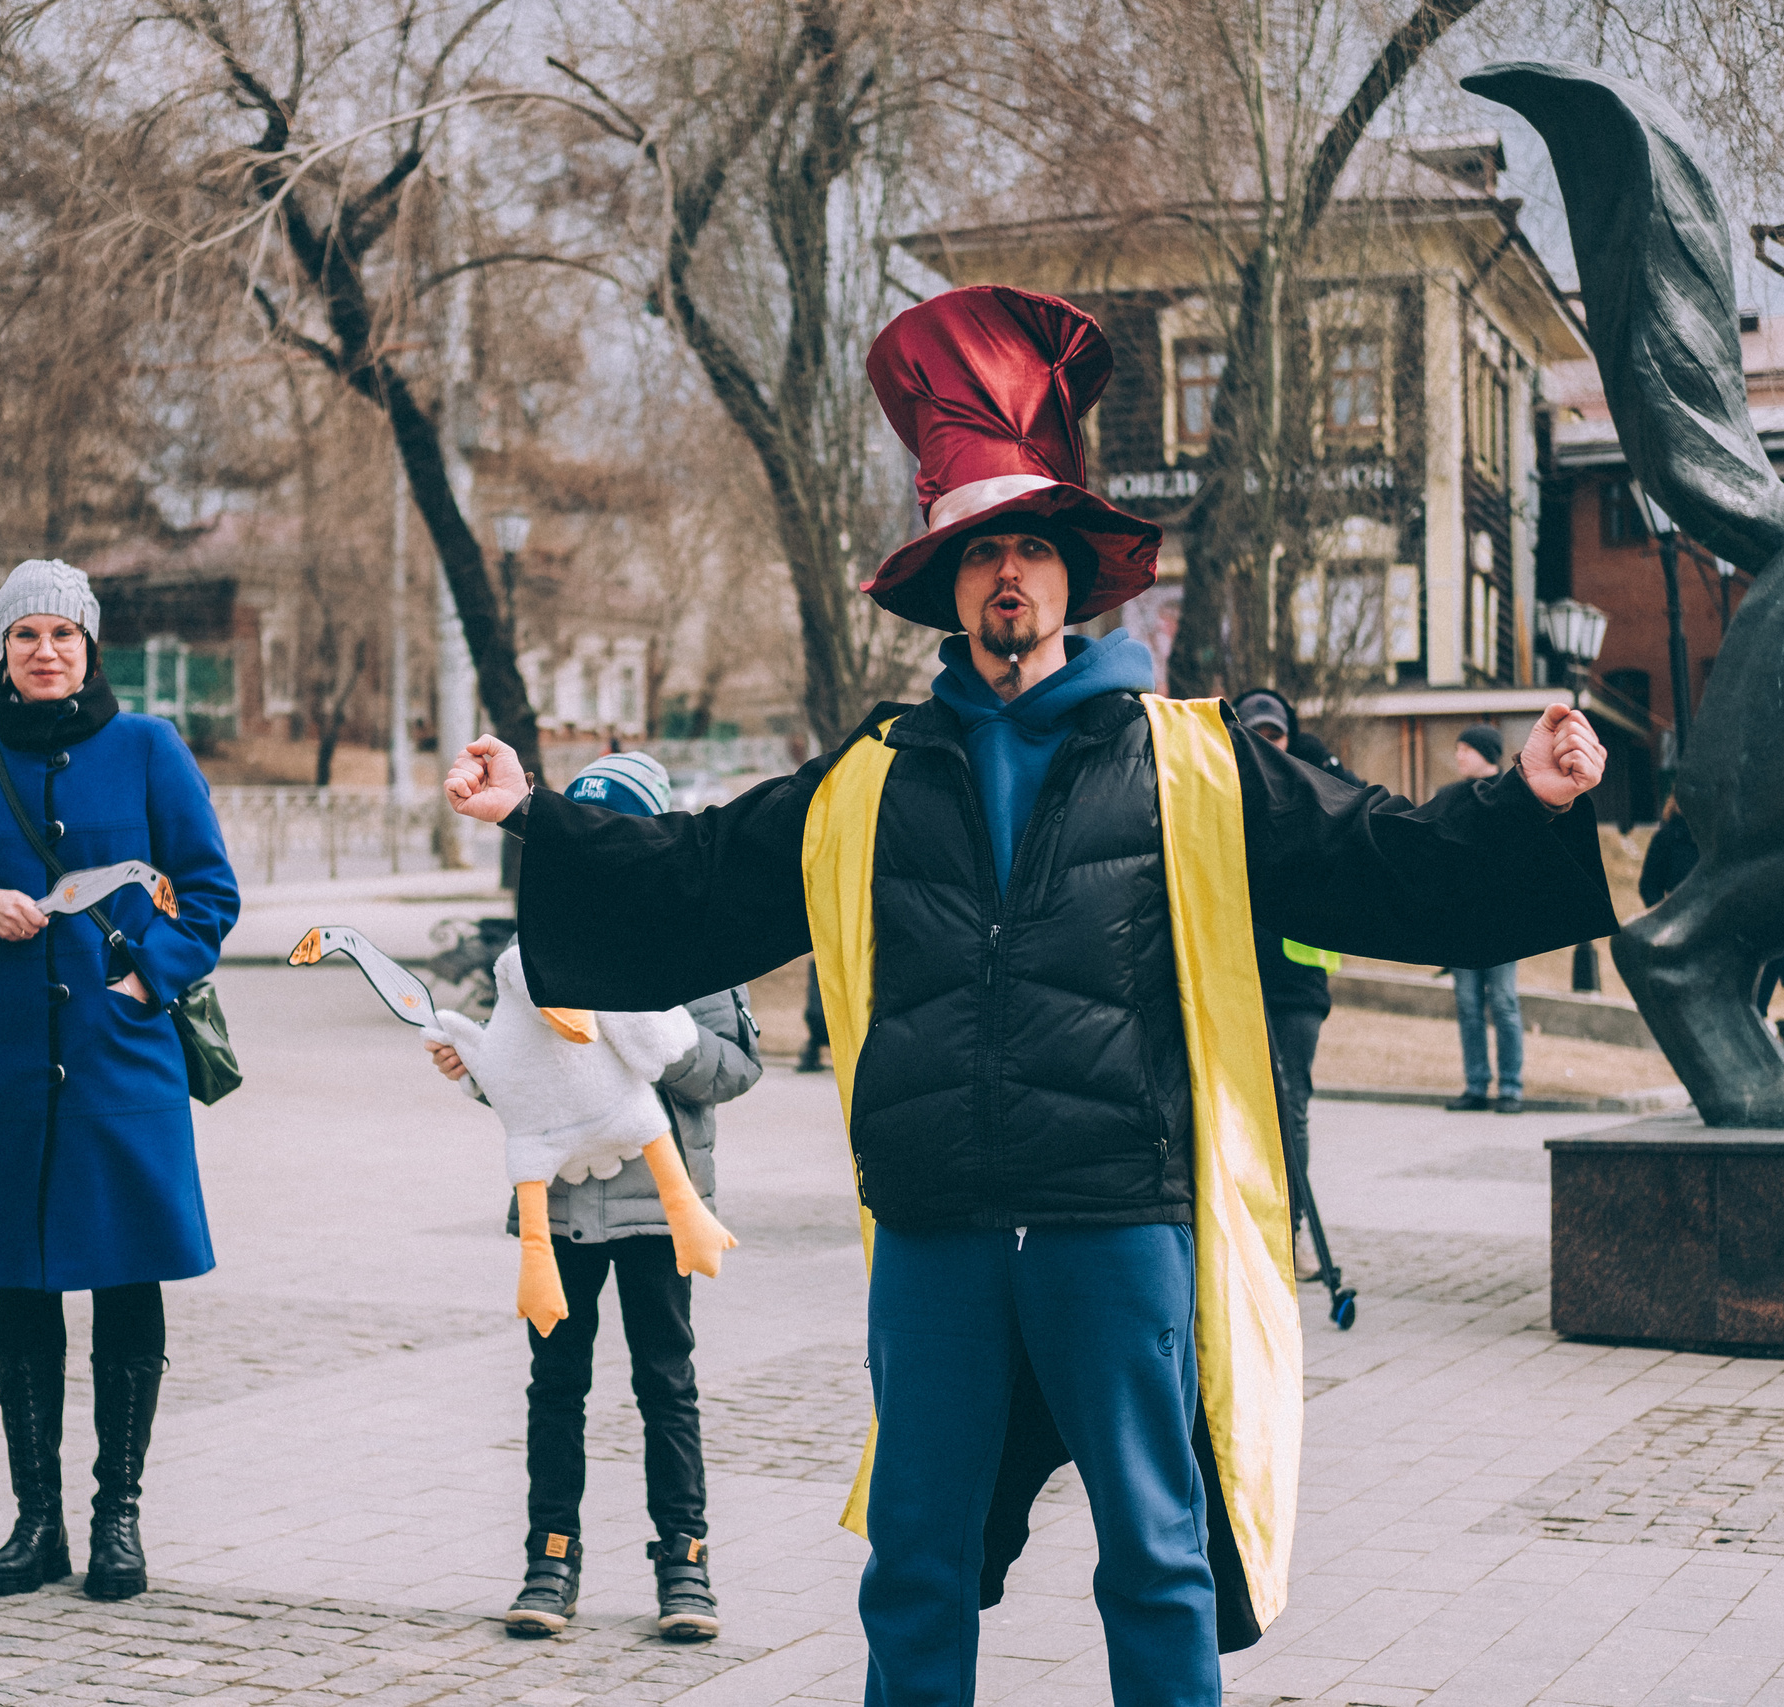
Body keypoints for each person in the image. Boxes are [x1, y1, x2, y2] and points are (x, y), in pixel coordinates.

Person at [443, 286, 1615, 1707]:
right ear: (947, 584)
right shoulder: (866, 780)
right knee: (918, 1559)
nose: (1009, 573)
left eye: (1031, 546)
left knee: (1156, 1550)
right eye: (981, 548)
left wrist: (1528, 803)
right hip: (935, 1228)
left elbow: (1377, 855)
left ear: (1074, 575)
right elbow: (695, 874)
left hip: (1115, 1217)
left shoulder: (1188, 760)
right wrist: (539, 818)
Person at [0, 561, 239, 1604]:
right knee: (23, 1282)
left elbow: (212, 894)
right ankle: (34, 1521)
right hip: (0, 1066)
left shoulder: (147, 749)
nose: (43, 651)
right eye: (24, 635)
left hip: (115, 1061)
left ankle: (117, 1517)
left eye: (62, 634)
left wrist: (148, 978)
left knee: (125, 1275)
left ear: (90, 649)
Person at [427, 753, 761, 1643]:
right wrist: (474, 1072)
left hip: (660, 1205)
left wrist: (662, 1038)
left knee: (666, 1382)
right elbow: (521, 1078)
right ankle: (550, 1557)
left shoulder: (696, 946)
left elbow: (737, 1067)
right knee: (556, 1384)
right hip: (563, 1213)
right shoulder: (537, 949)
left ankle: (684, 1562)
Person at [1229, 690, 1350, 1281]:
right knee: (1240, 1112)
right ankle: (1247, 1233)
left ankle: (1292, 1237)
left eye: (1276, 735)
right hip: (1234, 977)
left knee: (1291, 1108)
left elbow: (1356, 811)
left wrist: (1318, 764)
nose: (1266, 745)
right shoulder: (1222, 782)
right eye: (1257, 733)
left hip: (1298, 984)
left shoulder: (1311, 786)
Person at [1436, 726, 1526, 1113]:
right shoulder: (1447, 797)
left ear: (1486, 753)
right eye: (1457, 749)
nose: (1458, 756)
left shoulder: (1510, 794)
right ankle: (1476, 1086)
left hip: (1502, 922)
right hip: (1460, 921)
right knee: (1468, 1006)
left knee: (1503, 1004)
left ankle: (1511, 1088)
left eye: (1465, 749)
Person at [1640, 796, 1784, 1011]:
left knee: (1746, 1003)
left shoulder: (1726, 837)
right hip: (1687, 928)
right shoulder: (1669, 837)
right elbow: (1649, 885)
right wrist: (1669, 918)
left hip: (1727, 926)